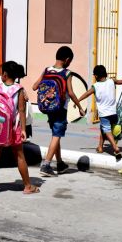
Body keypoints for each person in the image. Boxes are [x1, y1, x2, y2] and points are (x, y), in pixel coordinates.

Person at [0, 61, 39, 197]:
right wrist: (23, 130)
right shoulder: (19, 90)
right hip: (13, 128)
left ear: (4, 74)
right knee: (20, 156)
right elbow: (22, 111)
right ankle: (28, 186)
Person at [32, 46, 82, 177]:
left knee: (56, 134)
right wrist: (80, 107)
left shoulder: (47, 70)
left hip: (48, 108)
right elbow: (70, 92)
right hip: (60, 109)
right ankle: (46, 165)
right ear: (67, 60)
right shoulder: (67, 73)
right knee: (56, 135)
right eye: (70, 61)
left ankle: (60, 163)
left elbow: (34, 86)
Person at [76, 65, 122, 161]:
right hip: (113, 113)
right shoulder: (112, 81)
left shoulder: (95, 86)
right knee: (103, 129)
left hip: (104, 114)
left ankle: (115, 147)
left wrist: (78, 100)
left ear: (96, 76)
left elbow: (87, 93)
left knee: (107, 131)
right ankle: (100, 147)